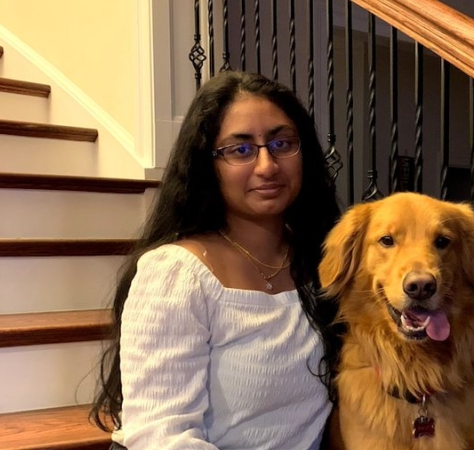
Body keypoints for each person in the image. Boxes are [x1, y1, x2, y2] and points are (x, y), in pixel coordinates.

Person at [90, 70, 343, 450]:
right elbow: (161, 437)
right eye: (240, 149)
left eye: (281, 143)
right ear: (207, 165)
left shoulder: (323, 261)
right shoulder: (177, 274)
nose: (266, 165)